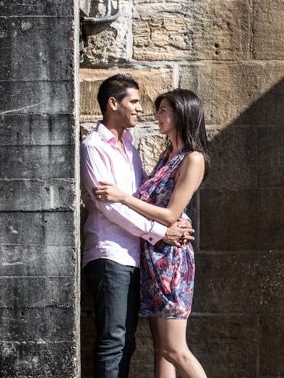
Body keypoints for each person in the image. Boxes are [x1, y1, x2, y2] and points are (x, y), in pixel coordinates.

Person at [82, 74, 194, 378]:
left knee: (127, 342)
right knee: (114, 340)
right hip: (110, 254)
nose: (140, 109)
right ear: (113, 103)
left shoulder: (130, 146)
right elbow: (110, 207)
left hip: (137, 257)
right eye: (134, 101)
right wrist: (161, 232)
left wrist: (178, 217)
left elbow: (146, 193)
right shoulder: (93, 147)